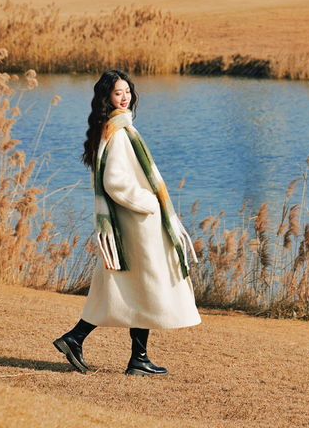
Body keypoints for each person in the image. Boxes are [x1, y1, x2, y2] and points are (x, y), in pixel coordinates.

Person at [54, 68, 200, 376]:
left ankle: (92, 343)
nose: (125, 97)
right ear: (106, 97)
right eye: (118, 93)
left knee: (128, 288)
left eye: (128, 92)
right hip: (137, 226)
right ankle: (129, 355)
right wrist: (150, 204)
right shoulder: (118, 133)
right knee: (142, 287)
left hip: (131, 225)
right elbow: (115, 182)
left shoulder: (115, 129)